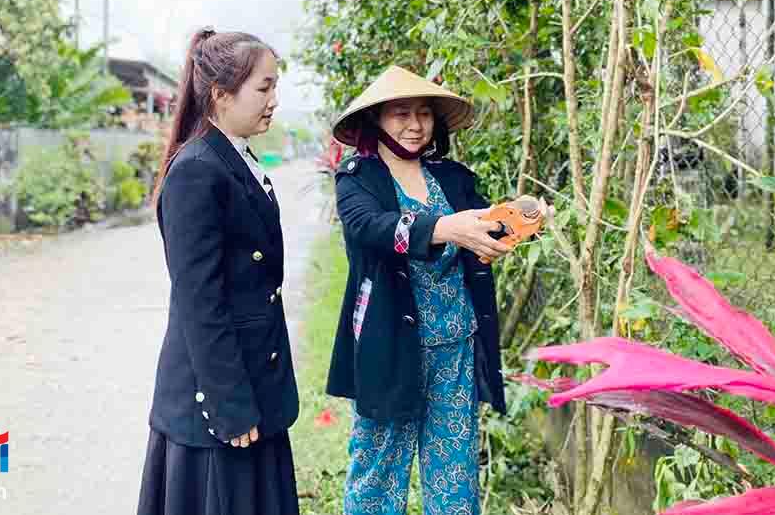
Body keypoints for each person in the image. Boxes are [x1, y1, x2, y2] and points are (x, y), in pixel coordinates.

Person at [326, 65, 514, 515]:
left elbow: (480, 234)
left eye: (425, 114)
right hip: (390, 346)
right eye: (401, 114)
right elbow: (371, 228)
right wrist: (447, 228)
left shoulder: (452, 177)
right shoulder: (358, 178)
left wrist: (506, 229)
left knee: (455, 472)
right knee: (378, 474)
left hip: (457, 344)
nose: (415, 125)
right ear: (377, 120)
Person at [137, 27, 300, 515]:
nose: (274, 100)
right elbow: (199, 302)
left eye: (275, 87)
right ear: (222, 94)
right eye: (264, 88)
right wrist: (228, 404)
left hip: (253, 382)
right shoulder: (197, 170)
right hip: (217, 403)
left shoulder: (235, 157)